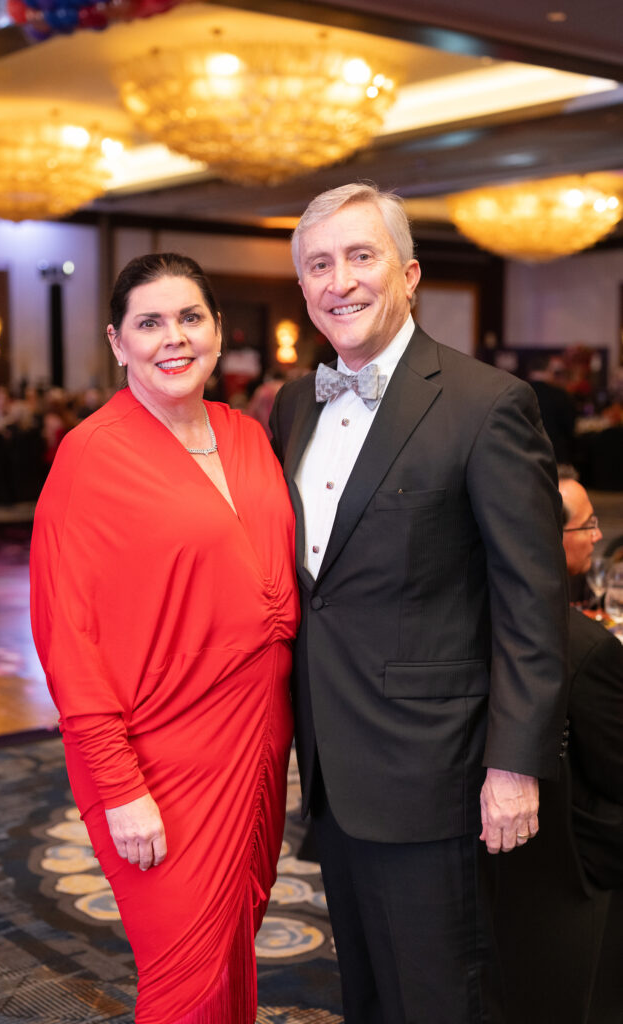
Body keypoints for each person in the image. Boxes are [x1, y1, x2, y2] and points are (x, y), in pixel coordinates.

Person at [269, 182, 570, 1024]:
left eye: (360, 257)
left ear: (407, 273)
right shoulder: (296, 403)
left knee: (444, 996)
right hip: (330, 764)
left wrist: (514, 768)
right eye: (319, 265)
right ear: (302, 289)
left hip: (436, 770)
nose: (340, 282)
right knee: (364, 989)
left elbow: (530, 602)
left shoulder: (486, 405)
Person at [30, 253, 299, 1024]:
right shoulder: (90, 457)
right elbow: (66, 640)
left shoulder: (247, 435)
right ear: (118, 343)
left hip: (256, 745)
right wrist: (119, 789)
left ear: (217, 332)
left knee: (229, 953)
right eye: (149, 322)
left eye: (190, 317)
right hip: (157, 758)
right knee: (184, 979)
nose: (172, 338)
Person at [487, 469, 623, 1023]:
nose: (597, 536)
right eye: (587, 526)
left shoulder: (479, 619)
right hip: (571, 869)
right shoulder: (586, 650)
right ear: (548, 536)